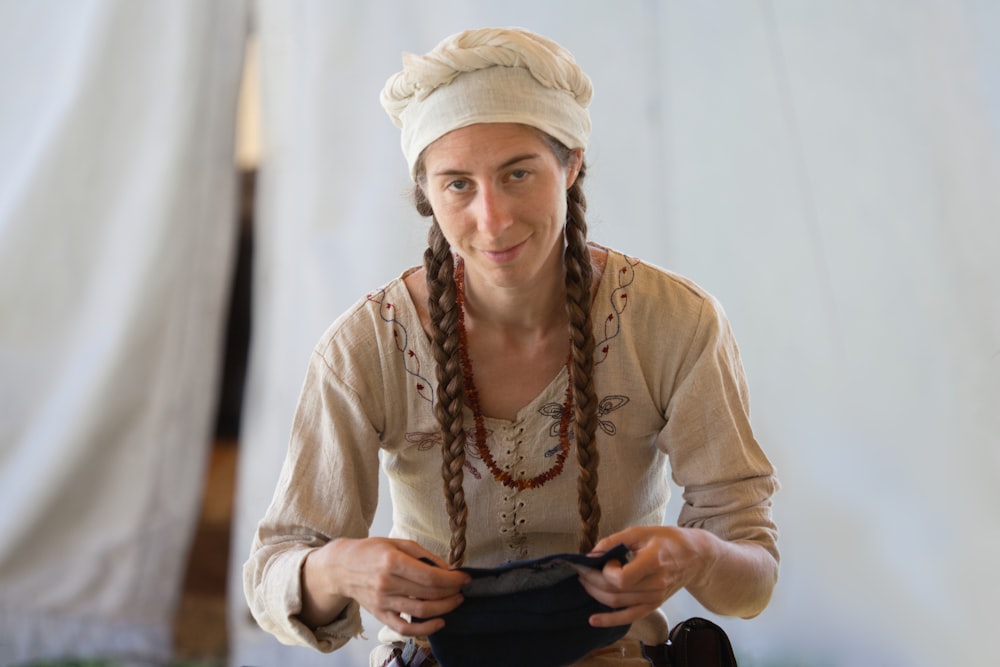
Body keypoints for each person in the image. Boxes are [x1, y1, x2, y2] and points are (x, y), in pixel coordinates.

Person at [244, 26, 779, 666]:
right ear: (427, 194)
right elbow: (272, 573)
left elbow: (752, 574)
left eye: (517, 173)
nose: (492, 219)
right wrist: (340, 569)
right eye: (458, 184)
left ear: (571, 163)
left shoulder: (674, 323)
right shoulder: (369, 345)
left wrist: (697, 553)